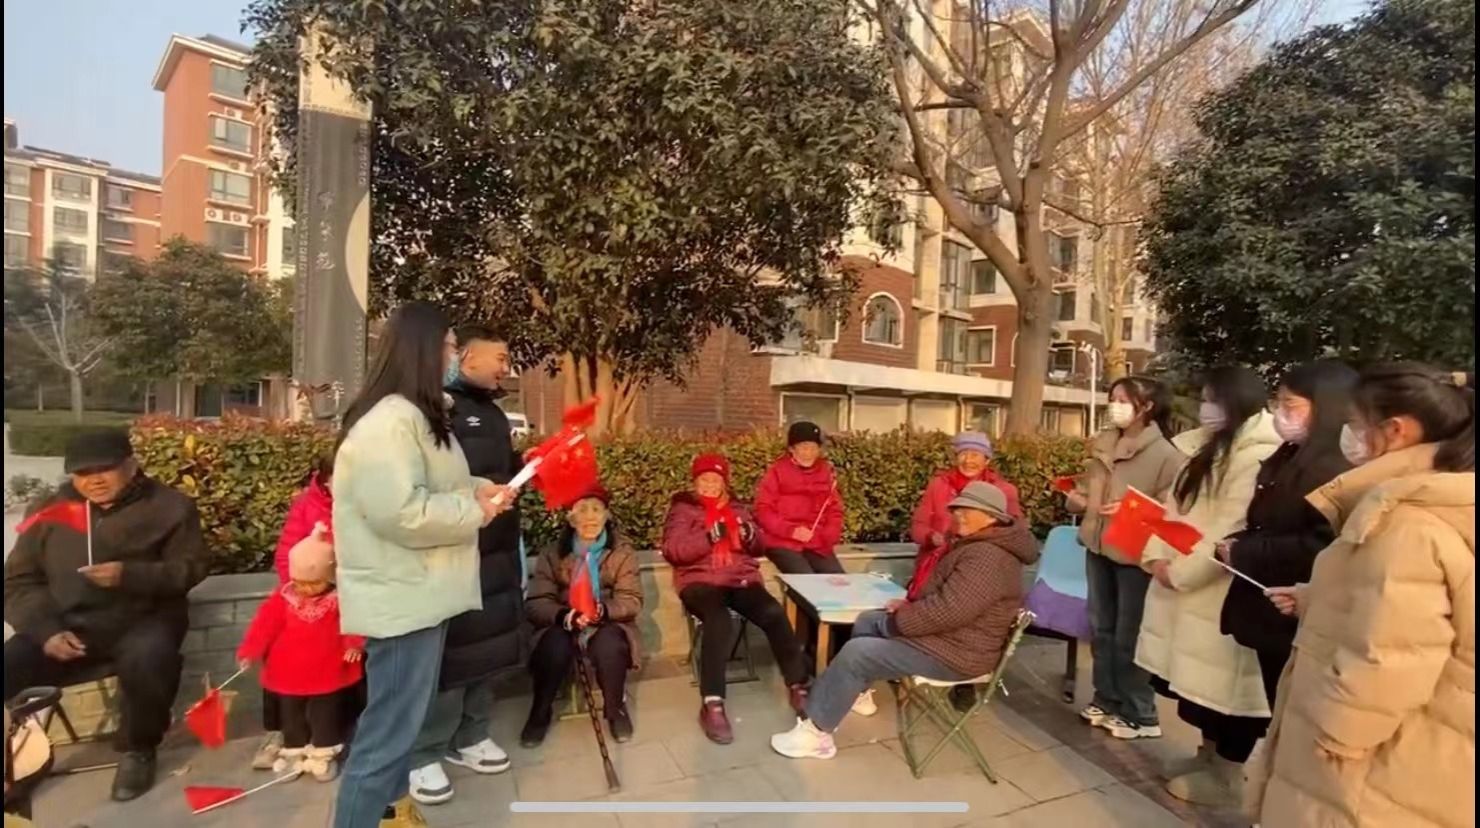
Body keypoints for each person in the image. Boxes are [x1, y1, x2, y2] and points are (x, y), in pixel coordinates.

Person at [1250, 365, 1474, 828]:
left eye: (1356, 422)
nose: (1349, 436)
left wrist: (1336, 737)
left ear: (1395, 431)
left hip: (1365, 775)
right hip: (1425, 756)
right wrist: (1316, 600)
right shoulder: (1446, 500)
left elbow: (1393, 658)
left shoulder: (1407, 523)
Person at [330, 302, 508, 828]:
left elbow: (438, 484)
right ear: (423, 350)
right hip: (402, 601)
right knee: (386, 737)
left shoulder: (419, 416)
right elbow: (401, 512)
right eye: (450, 346)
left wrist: (479, 491)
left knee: (398, 730)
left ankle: (389, 814)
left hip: (422, 595)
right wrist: (474, 512)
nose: (454, 356)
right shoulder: (389, 422)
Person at [3, 428, 208, 802]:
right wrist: (46, 630)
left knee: (150, 657)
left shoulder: (171, 507)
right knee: (10, 660)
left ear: (131, 465)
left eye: (105, 469)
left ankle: (138, 749)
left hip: (143, 620)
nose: (94, 480)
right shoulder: (49, 510)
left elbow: (191, 568)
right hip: (66, 626)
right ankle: (11, 762)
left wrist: (130, 575)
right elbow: (18, 581)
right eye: (83, 473)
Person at [770, 481, 1039, 759]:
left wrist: (899, 621)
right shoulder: (980, 544)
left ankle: (816, 734)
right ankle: (858, 694)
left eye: (967, 510)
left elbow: (949, 611)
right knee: (867, 621)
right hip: (951, 639)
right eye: (957, 509)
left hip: (957, 654)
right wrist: (908, 605)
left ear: (991, 517)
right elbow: (950, 599)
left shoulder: (987, 557)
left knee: (858, 654)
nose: (958, 515)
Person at [1133, 366, 1280, 807]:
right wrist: (1156, 556)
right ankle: (1207, 756)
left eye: (1214, 399)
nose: (1205, 408)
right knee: (1196, 689)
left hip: (1218, 589)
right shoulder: (1203, 446)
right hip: (1181, 580)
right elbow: (1173, 510)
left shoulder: (1258, 454)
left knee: (1226, 692)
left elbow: (1229, 527)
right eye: (1204, 399)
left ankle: (1227, 772)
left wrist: (1181, 572)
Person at [407, 326, 524, 805]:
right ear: (467, 357)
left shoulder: (492, 412)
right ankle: (423, 751)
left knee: (489, 647)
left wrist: (528, 467)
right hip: (455, 550)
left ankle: (471, 734)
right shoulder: (435, 411)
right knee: (452, 654)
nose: (505, 367)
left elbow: (499, 472)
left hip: (497, 547)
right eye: (500, 358)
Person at [1218, 361, 1357, 713]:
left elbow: (1321, 545)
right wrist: (1237, 543)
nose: (1280, 414)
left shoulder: (1335, 469)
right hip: (1271, 609)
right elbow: (1269, 522)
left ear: (1327, 407)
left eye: (1290, 404)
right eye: (1277, 402)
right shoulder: (1290, 456)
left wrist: (1245, 552)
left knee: (1297, 713)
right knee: (1279, 705)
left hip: (1299, 612)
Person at [661, 453, 810, 744]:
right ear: (695, 482)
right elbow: (673, 550)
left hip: (740, 580)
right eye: (704, 480)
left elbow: (759, 546)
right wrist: (708, 537)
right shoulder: (683, 509)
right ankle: (712, 703)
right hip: (700, 581)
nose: (710, 485)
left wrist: (750, 534)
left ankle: (798, 685)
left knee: (773, 612)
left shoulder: (738, 508)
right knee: (718, 621)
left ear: (724, 482)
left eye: (715, 480)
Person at [1066, 375, 1184, 742]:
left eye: (1123, 400)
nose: (1114, 406)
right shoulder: (1103, 444)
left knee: (1128, 635)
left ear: (1146, 407)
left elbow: (1174, 510)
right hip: (1098, 546)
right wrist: (1077, 499)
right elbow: (1085, 489)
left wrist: (1134, 511)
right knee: (1101, 629)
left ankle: (1140, 712)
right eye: (1112, 398)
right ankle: (1106, 698)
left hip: (1136, 555)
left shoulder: (1167, 455)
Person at [237, 531, 365, 783]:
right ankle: (294, 750)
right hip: (288, 670)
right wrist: (250, 651)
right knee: (291, 715)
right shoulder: (284, 598)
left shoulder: (339, 599)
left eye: (314, 583)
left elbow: (353, 621)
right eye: (299, 582)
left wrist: (354, 644)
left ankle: (323, 753)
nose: (306, 589)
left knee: (324, 714)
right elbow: (263, 626)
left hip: (326, 669)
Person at [521, 486, 643, 748]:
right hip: (564, 620)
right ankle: (540, 711)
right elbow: (537, 603)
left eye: (597, 510)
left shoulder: (621, 552)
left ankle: (615, 709)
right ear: (571, 518)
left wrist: (602, 611)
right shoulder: (553, 553)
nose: (590, 517)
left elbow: (631, 599)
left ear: (607, 515)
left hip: (607, 621)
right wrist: (565, 615)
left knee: (610, 645)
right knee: (553, 645)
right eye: (582, 510)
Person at [255, 450, 337, 772]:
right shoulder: (306, 504)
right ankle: (280, 732)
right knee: (279, 650)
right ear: (325, 479)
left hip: (346, 592)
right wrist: (299, 589)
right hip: (304, 588)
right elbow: (287, 552)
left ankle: (330, 736)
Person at [755, 421, 845, 575]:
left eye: (813, 448)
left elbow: (835, 510)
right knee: (805, 580)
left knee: (837, 579)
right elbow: (764, 509)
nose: (808, 453)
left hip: (816, 542)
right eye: (803, 447)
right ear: (792, 449)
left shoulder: (826, 473)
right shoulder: (777, 471)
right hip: (783, 541)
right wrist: (790, 531)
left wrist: (827, 536)